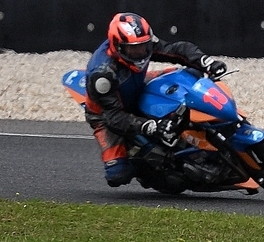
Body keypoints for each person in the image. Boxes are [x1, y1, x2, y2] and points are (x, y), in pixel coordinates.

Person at [80, 12, 228, 186]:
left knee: (191, 74)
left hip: (138, 85)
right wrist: (150, 126)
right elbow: (114, 118)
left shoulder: (143, 43)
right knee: (118, 175)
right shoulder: (102, 75)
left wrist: (206, 62)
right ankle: (147, 167)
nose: (140, 52)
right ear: (117, 46)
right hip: (106, 113)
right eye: (133, 49)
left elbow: (175, 49)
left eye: (143, 46)